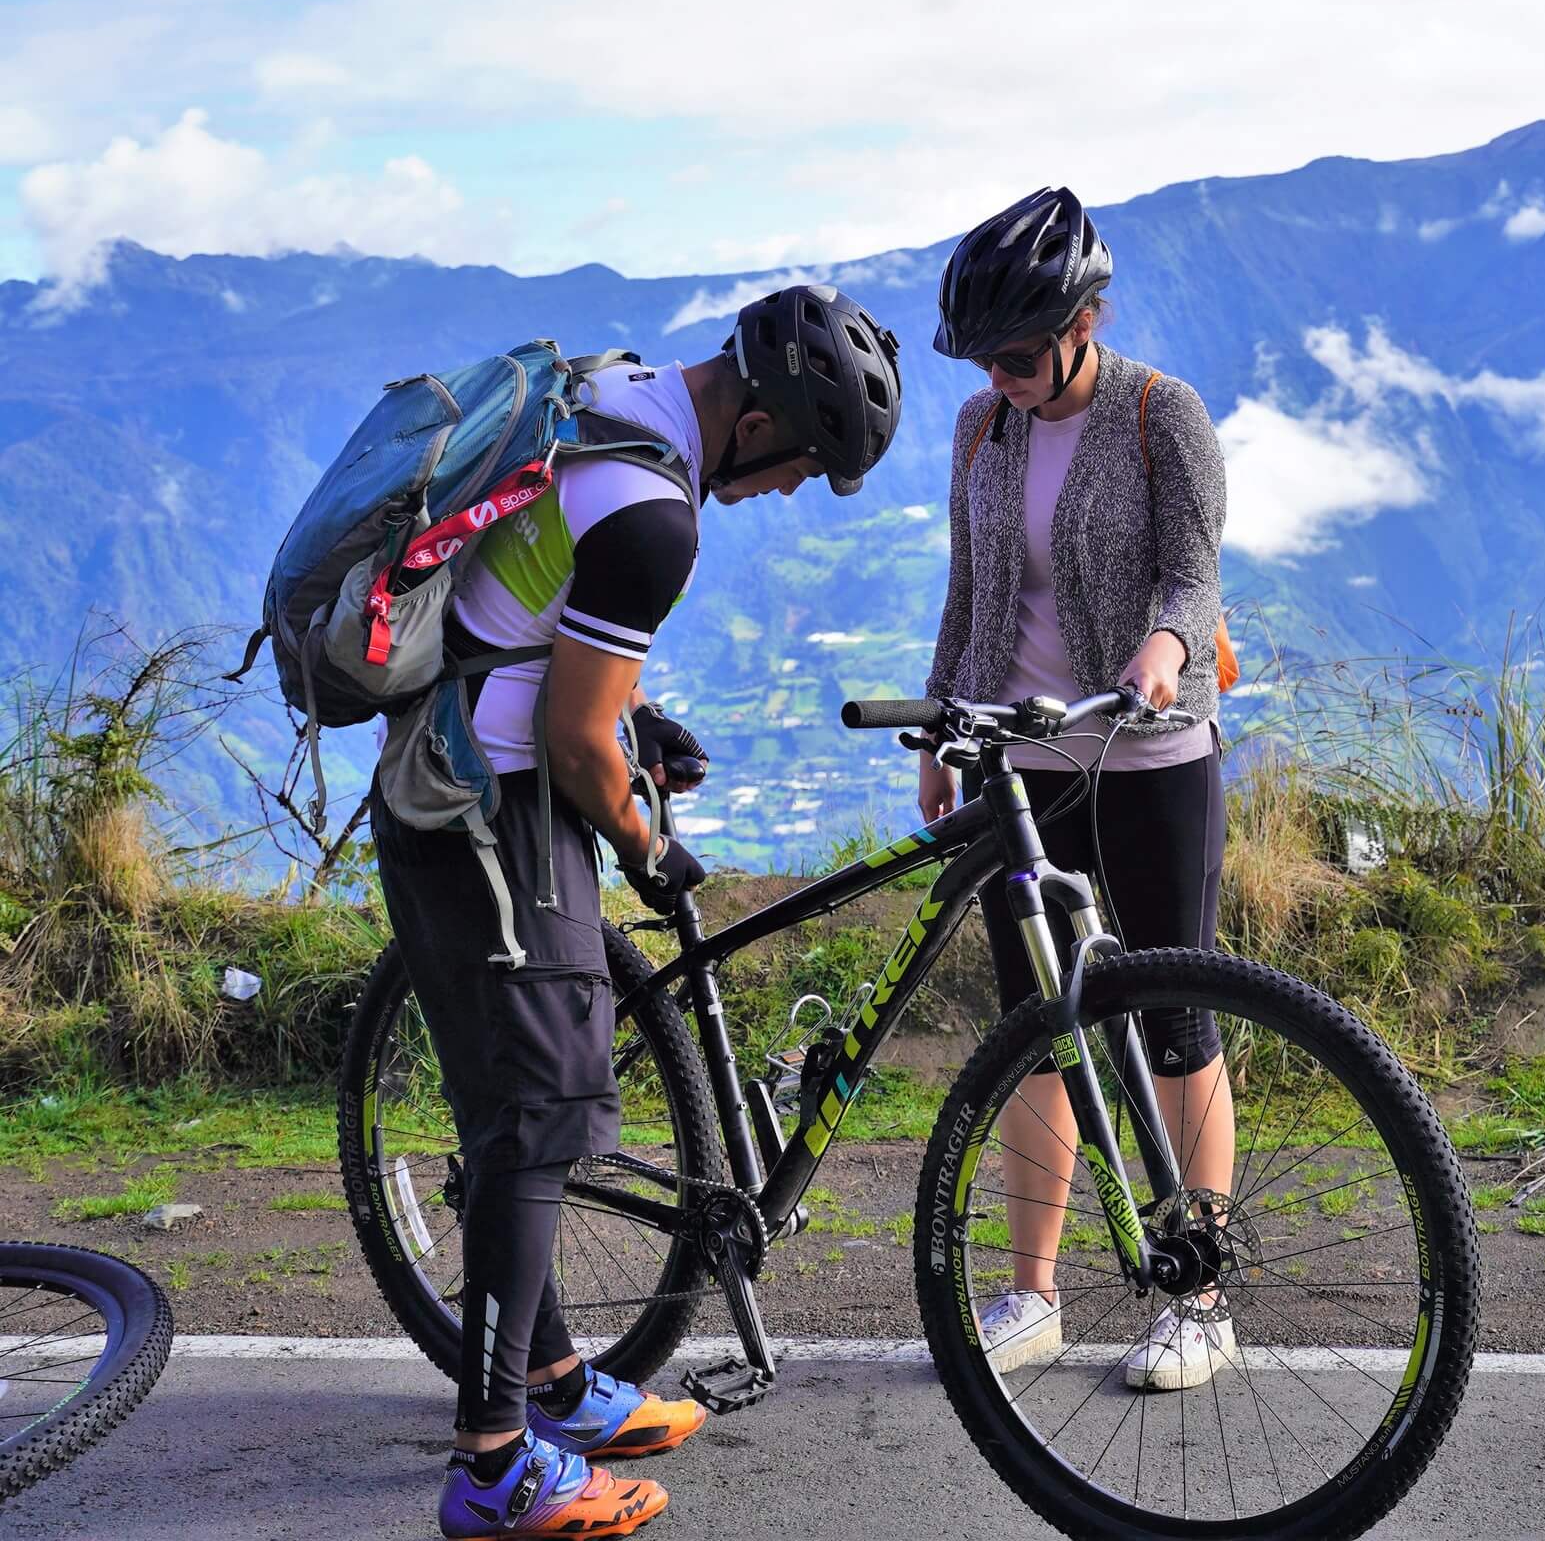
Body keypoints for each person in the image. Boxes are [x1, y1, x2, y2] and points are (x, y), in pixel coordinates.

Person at [374, 285, 901, 1540]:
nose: (789, 493)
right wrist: (647, 840)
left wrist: (631, 728)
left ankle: (551, 1384)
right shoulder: (657, 515)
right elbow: (568, 737)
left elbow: (535, 618)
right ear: (764, 417)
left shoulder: (619, 396)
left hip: (459, 777)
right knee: (544, 1113)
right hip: (490, 810)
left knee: (519, 1112)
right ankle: (493, 1462)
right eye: (806, 464)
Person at [918, 185, 1235, 1391]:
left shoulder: (1163, 415)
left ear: (1085, 319)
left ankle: (1197, 1295)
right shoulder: (978, 430)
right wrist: (942, 727)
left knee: (1173, 1023)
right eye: (980, 357)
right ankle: (1032, 1294)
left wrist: (1163, 648)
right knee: (1034, 1033)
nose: (997, 375)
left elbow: (1192, 578)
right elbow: (969, 588)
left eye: (1014, 353)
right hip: (1022, 762)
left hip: (1147, 755)